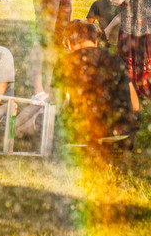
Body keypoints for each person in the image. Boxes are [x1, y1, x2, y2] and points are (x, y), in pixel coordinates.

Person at [19, 20, 140, 154]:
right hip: (121, 139)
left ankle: (20, 137)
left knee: (44, 118)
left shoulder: (65, 62)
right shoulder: (116, 60)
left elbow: (56, 104)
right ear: (95, 40)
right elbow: (135, 105)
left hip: (84, 138)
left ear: (70, 43)